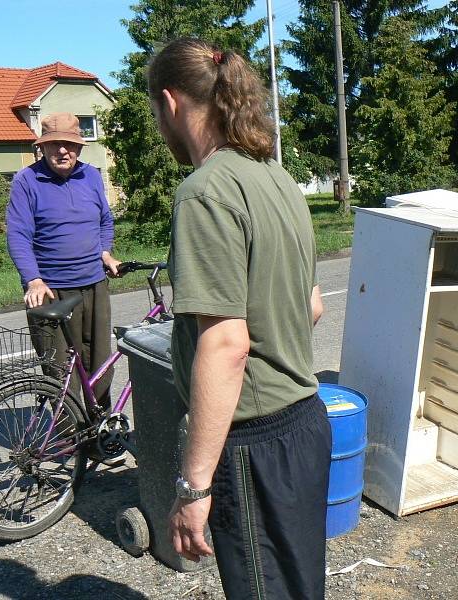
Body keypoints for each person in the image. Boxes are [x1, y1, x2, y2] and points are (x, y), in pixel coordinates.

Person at [147, 38, 330, 599]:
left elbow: (226, 344)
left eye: (155, 111)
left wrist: (193, 486)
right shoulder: (274, 177)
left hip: (253, 446)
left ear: (171, 102)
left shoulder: (205, 192)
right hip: (303, 425)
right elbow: (312, 304)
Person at [6, 112, 121, 409]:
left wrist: (104, 251)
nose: (62, 151)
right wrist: (33, 279)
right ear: (42, 147)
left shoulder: (92, 176)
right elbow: (18, 234)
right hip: (50, 290)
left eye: (69, 144)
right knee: (57, 371)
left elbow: (105, 221)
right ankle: (68, 437)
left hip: (93, 284)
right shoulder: (26, 180)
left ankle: (101, 432)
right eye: (54, 144)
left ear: (80, 148)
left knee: (99, 362)